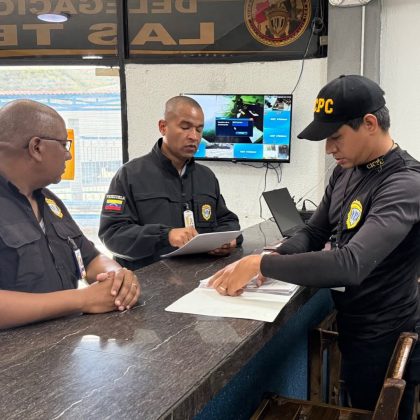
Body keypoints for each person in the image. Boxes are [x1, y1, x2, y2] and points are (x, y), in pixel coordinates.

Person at [209, 75, 420, 419]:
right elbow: (314, 230)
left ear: (369, 124)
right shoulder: (346, 172)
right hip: (353, 323)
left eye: (336, 137)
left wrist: (260, 265)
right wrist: (275, 254)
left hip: (385, 334)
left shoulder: (405, 183)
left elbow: (351, 264)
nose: (328, 149)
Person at [0, 99, 141, 330]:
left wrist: (117, 277)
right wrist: (82, 299)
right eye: (64, 145)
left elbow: (90, 258)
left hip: (63, 341)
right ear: (36, 148)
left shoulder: (49, 202)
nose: (68, 155)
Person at [99, 96, 241, 270]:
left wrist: (227, 239)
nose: (194, 136)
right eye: (185, 127)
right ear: (163, 127)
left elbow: (227, 220)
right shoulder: (130, 175)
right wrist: (165, 236)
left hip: (200, 277)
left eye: (199, 129)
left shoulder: (206, 176)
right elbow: (112, 234)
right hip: (148, 280)